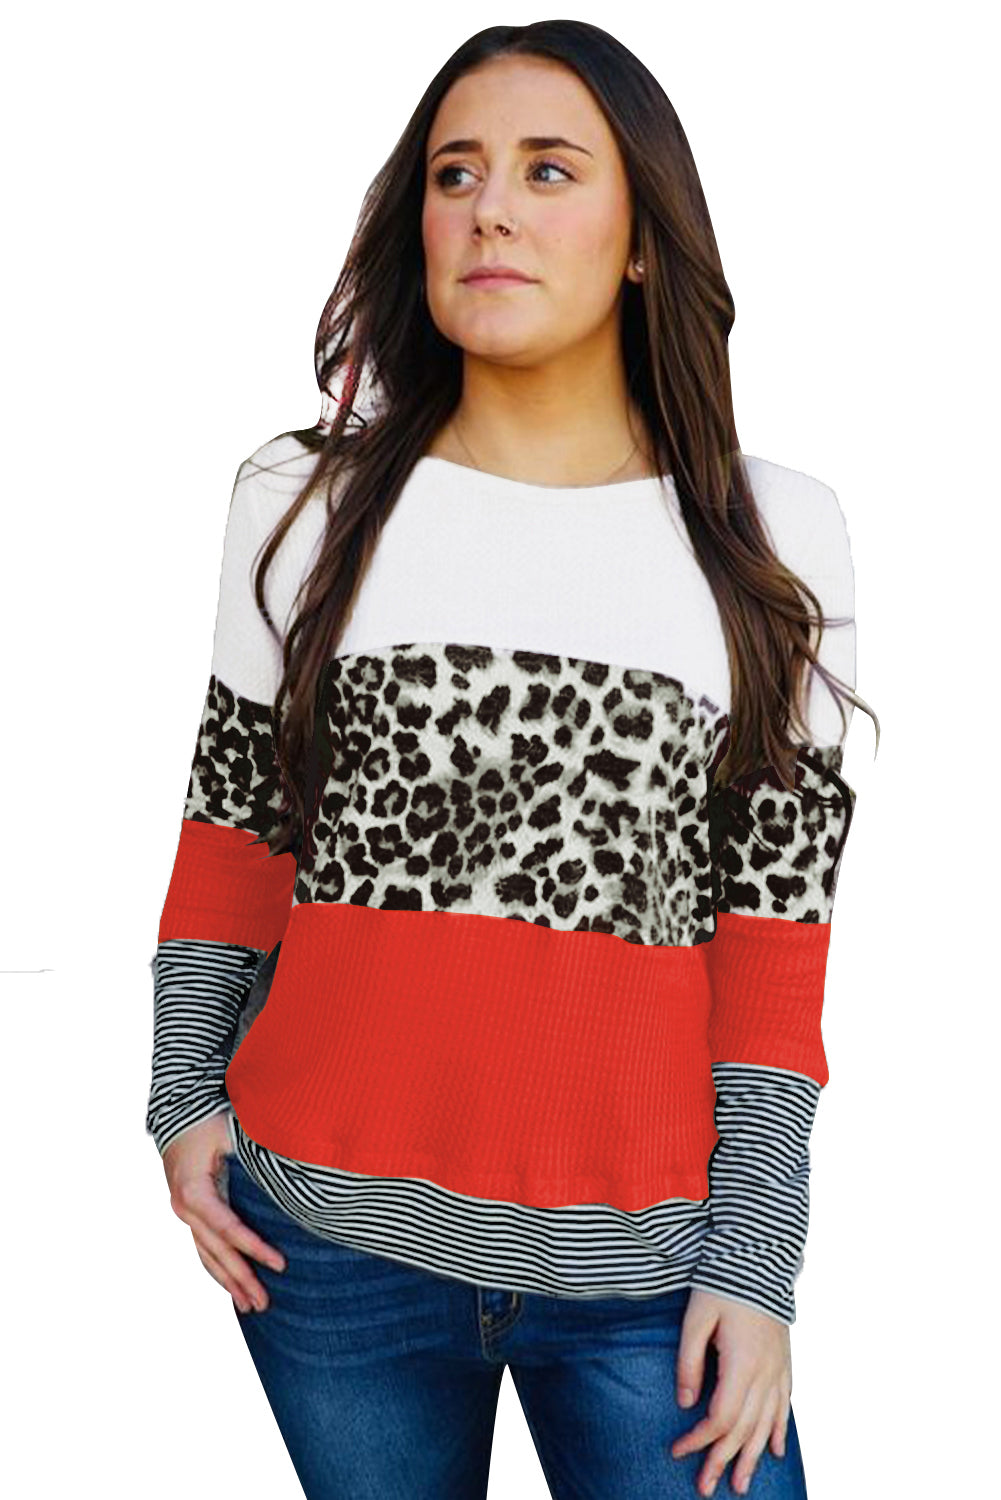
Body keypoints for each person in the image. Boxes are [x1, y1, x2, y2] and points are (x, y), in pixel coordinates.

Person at [145, 20, 877, 1500]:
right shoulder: (300, 502)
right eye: (454, 172)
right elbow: (233, 837)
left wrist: (757, 1265)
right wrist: (180, 1098)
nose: (489, 208)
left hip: (649, 1282)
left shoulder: (772, 536)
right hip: (326, 1252)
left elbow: (773, 947)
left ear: (642, 240)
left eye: (550, 170)